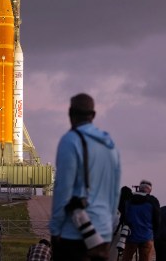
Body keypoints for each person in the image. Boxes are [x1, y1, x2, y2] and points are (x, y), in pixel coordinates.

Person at [50, 93, 121, 261]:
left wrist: (55, 229)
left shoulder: (70, 140)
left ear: (70, 113)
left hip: (75, 233)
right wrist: (107, 225)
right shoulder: (109, 145)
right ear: (93, 115)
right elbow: (114, 192)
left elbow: (63, 189)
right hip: (102, 233)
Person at [122, 180, 160, 261]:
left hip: (130, 236)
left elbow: (124, 216)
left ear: (139, 188)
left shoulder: (129, 199)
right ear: (149, 190)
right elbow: (157, 219)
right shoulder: (153, 201)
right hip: (146, 236)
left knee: (126, 258)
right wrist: (155, 233)